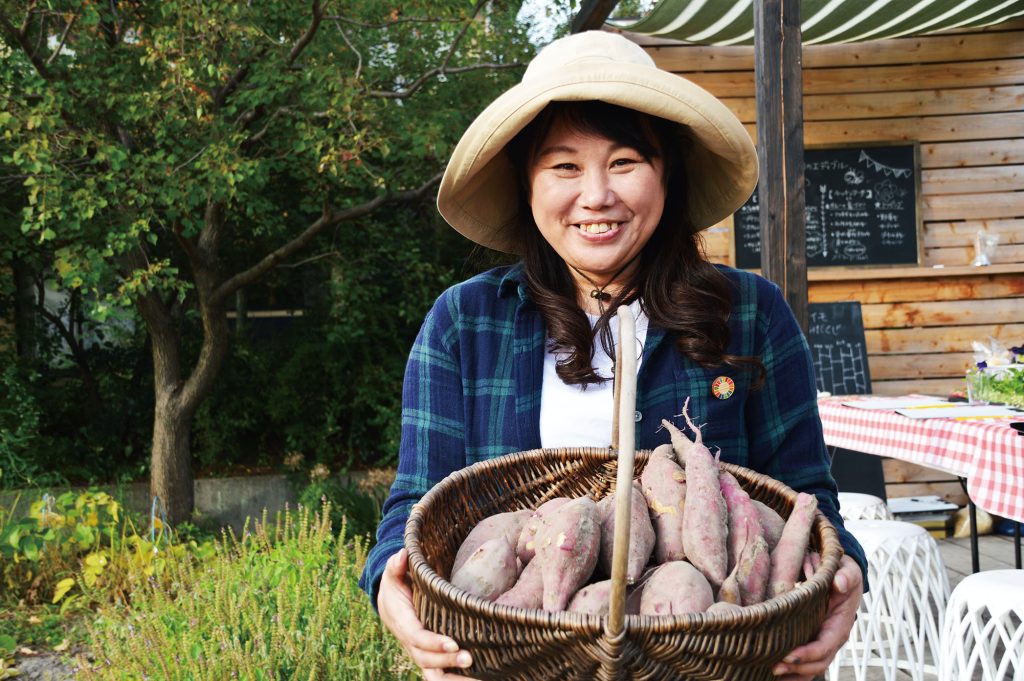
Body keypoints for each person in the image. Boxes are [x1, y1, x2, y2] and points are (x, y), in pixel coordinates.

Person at [358, 30, 867, 681]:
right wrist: (389, 586)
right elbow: (414, 509)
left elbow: (809, 497)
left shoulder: (751, 313)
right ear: (527, 184)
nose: (596, 195)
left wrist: (843, 569)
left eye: (625, 161)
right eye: (564, 166)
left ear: (668, 174)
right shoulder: (465, 323)